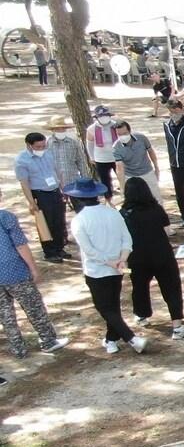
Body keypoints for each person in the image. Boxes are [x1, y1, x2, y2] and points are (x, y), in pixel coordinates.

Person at [67, 177, 147, 355]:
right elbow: (127, 239)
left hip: (97, 271)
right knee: (113, 306)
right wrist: (121, 259)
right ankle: (111, 339)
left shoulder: (79, 220)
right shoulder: (113, 213)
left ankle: (132, 338)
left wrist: (111, 261)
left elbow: (89, 251)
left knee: (105, 309)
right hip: (117, 268)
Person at [120, 178, 184, 340]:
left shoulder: (124, 213)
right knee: (171, 288)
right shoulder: (156, 209)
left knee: (139, 286)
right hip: (162, 254)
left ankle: (141, 314)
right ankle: (177, 326)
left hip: (137, 257)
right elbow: (167, 230)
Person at [0, 197, 67, 358]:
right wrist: (33, 268)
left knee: (5, 314)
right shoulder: (6, 217)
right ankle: (48, 340)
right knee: (34, 307)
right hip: (15, 271)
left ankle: (18, 348)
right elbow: (20, 245)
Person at [14, 131, 69, 262]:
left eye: (43, 146)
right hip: (40, 193)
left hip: (55, 190)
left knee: (59, 221)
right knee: (46, 223)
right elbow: (24, 182)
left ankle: (59, 248)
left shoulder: (48, 153)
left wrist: (63, 189)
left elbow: (58, 172)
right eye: (38, 147)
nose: (41, 149)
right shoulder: (21, 160)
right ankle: (49, 252)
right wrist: (31, 202)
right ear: (29, 145)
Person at [113, 120, 162, 205]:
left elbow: (150, 151)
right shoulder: (116, 147)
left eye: (125, 133)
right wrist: (122, 186)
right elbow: (119, 167)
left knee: (156, 197)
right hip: (130, 176)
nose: (122, 136)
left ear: (129, 131)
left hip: (147, 172)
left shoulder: (141, 138)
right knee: (133, 201)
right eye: (119, 134)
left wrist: (156, 167)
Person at [86, 105, 121, 195]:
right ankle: (108, 198)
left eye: (106, 115)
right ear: (97, 118)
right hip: (101, 158)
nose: (104, 118)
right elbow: (89, 143)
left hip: (116, 157)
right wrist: (92, 157)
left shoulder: (116, 125)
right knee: (105, 181)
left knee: (122, 177)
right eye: (101, 116)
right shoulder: (91, 129)